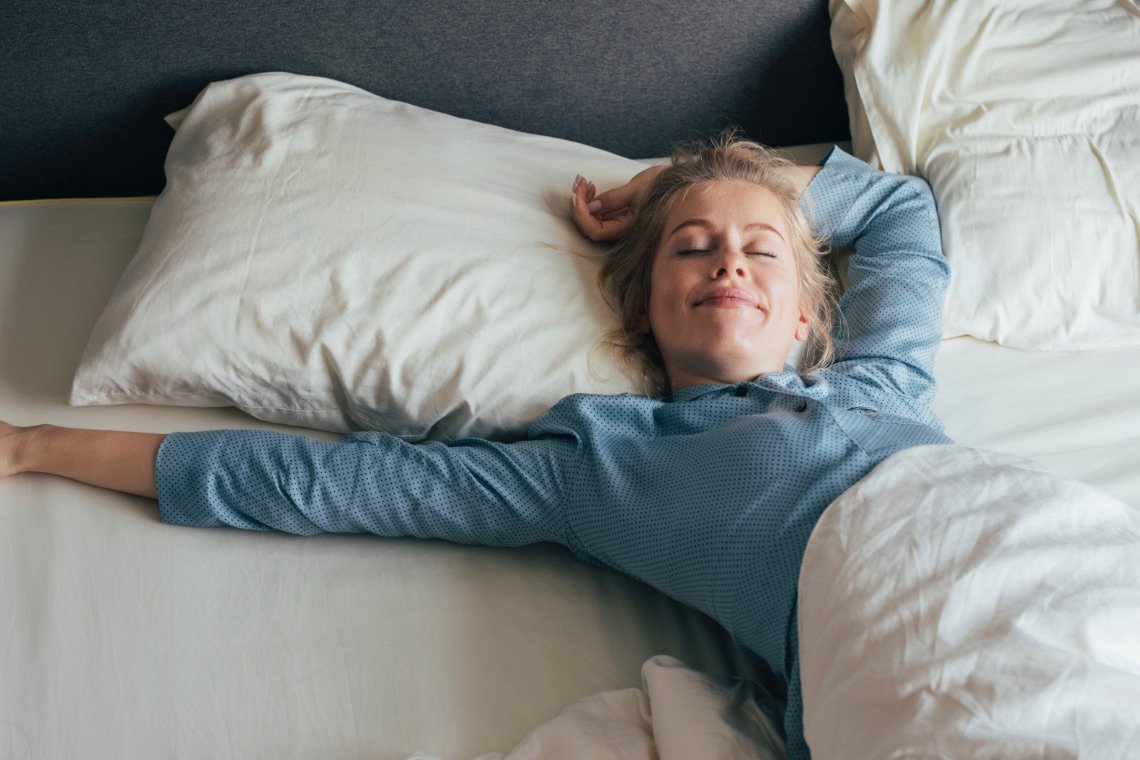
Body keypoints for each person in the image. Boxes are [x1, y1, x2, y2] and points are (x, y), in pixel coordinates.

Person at [0, 134, 950, 759]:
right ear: (643, 303)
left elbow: (901, 210)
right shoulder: (604, 468)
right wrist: (38, 446)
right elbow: (341, 483)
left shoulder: (883, 380)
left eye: (761, 250)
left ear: (804, 315)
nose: (729, 260)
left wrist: (665, 184)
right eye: (691, 246)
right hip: (910, 646)